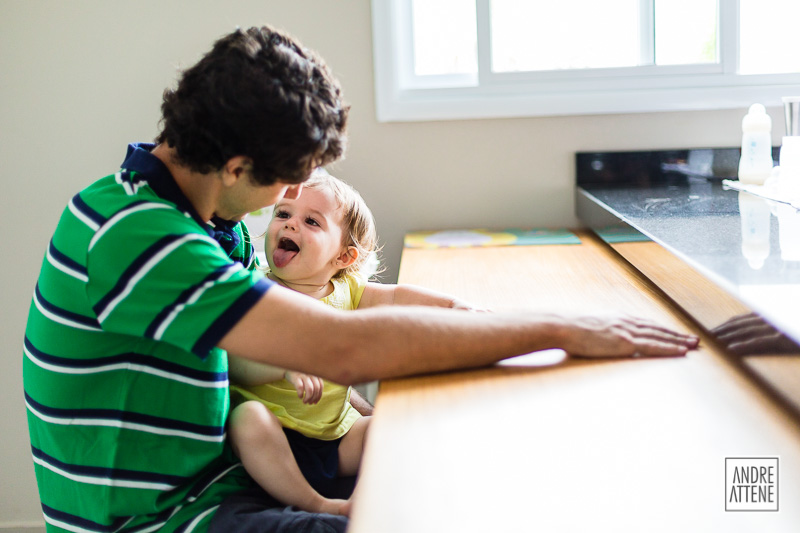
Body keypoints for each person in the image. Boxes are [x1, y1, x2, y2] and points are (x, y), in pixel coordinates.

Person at [22, 25, 698, 533]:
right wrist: (556, 328)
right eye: (287, 183)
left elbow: (350, 316)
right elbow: (343, 347)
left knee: (430, 473)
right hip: (165, 518)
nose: (289, 197)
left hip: (215, 483)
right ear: (235, 167)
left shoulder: (202, 218)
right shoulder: (140, 236)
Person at [227, 171, 483, 517]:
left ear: (344, 258)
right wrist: (285, 364)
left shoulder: (348, 291)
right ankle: (318, 504)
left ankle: (366, 499)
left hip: (336, 439)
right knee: (246, 418)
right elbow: (237, 361)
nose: (289, 224)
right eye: (283, 213)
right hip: (275, 441)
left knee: (389, 424)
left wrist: (453, 306)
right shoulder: (256, 288)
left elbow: (396, 296)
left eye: (311, 221)